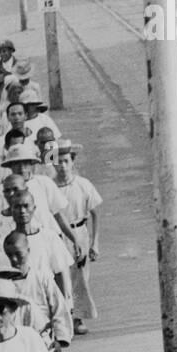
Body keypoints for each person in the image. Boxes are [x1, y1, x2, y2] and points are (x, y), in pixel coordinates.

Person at [54, 140, 101, 333]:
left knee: (80, 276)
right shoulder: (51, 187)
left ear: (72, 162)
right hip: (58, 235)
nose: (63, 166)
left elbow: (95, 214)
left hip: (80, 232)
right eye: (59, 162)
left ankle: (78, 317)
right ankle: (65, 318)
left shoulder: (83, 185)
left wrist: (94, 243)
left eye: (66, 161)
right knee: (62, 276)